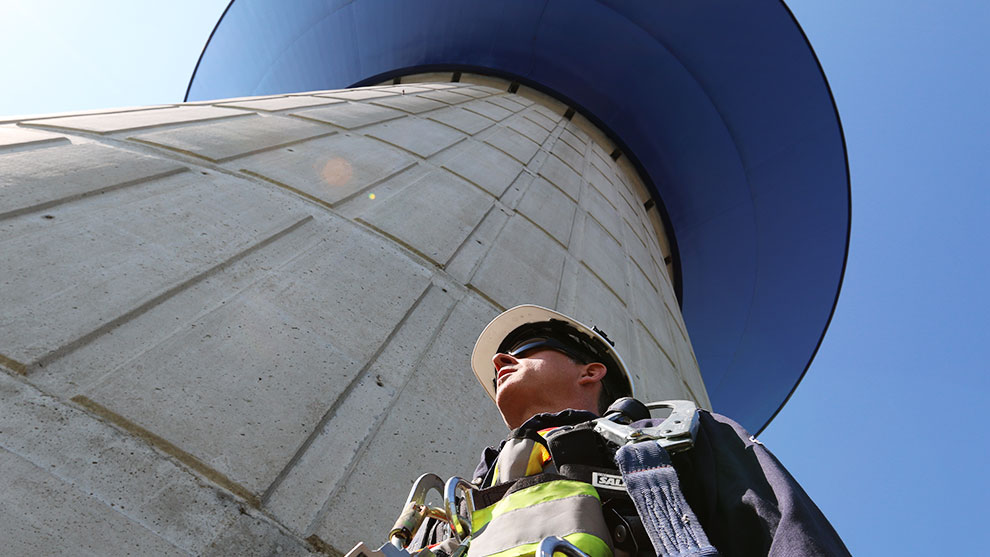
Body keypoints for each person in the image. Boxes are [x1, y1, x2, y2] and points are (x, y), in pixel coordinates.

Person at [411, 305, 849, 557]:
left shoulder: (678, 440)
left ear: (591, 371)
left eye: (522, 350)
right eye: (497, 366)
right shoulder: (459, 503)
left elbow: (786, 536)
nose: (500, 363)